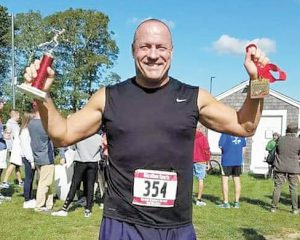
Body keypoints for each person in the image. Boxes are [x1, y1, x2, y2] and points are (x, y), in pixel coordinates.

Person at [24, 19, 269, 240]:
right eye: (145, 47)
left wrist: (258, 80)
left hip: (176, 227)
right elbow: (62, 134)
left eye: (161, 47)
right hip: (122, 225)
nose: (153, 55)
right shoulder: (108, 97)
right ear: (133, 50)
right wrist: (44, 96)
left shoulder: (194, 97)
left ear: (171, 52)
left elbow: (245, 125)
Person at [51, 132, 101, 218]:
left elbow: (72, 147)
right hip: (93, 162)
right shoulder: (98, 137)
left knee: (74, 184)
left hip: (81, 161)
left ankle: (65, 208)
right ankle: (88, 209)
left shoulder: (80, 135)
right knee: (90, 185)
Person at [28, 102, 55, 213]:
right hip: (46, 156)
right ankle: (39, 206)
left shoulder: (31, 123)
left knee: (46, 181)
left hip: (37, 156)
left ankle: (49, 204)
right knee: (45, 183)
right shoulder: (44, 124)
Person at [270, 123, 300, 214]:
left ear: (287, 130)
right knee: (293, 188)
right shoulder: (298, 141)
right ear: (296, 131)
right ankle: (295, 209)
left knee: (277, 186)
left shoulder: (280, 139)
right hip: (293, 167)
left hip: (280, 166)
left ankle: (273, 208)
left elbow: (277, 151)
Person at [218, 133, 246, 208]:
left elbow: (221, 147)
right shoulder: (241, 134)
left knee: (225, 181)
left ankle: (226, 203)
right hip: (238, 161)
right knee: (237, 180)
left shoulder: (225, 134)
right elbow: (243, 149)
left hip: (227, 161)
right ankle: (236, 202)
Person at [1, 110, 23, 188]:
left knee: (17, 165)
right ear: (15, 115)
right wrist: (11, 148)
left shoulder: (14, 123)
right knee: (13, 163)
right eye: (18, 115)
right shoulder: (10, 124)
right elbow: (9, 136)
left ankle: (20, 181)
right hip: (14, 147)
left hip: (16, 147)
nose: (19, 117)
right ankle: (5, 181)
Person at [19, 112, 36, 209]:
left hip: (27, 157)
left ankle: (29, 196)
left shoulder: (24, 130)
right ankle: (27, 199)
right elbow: (27, 148)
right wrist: (32, 161)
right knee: (28, 179)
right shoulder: (25, 132)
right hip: (28, 157)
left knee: (30, 178)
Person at [193, 125, 210, 206]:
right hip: (201, 161)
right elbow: (206, 150)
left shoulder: (190, 137)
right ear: (199, 129)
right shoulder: (203, 138)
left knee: (190, 180)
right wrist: (207, 161)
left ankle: (187, 198)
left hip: (190, 161)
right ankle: (198, 200)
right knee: (200, 179)